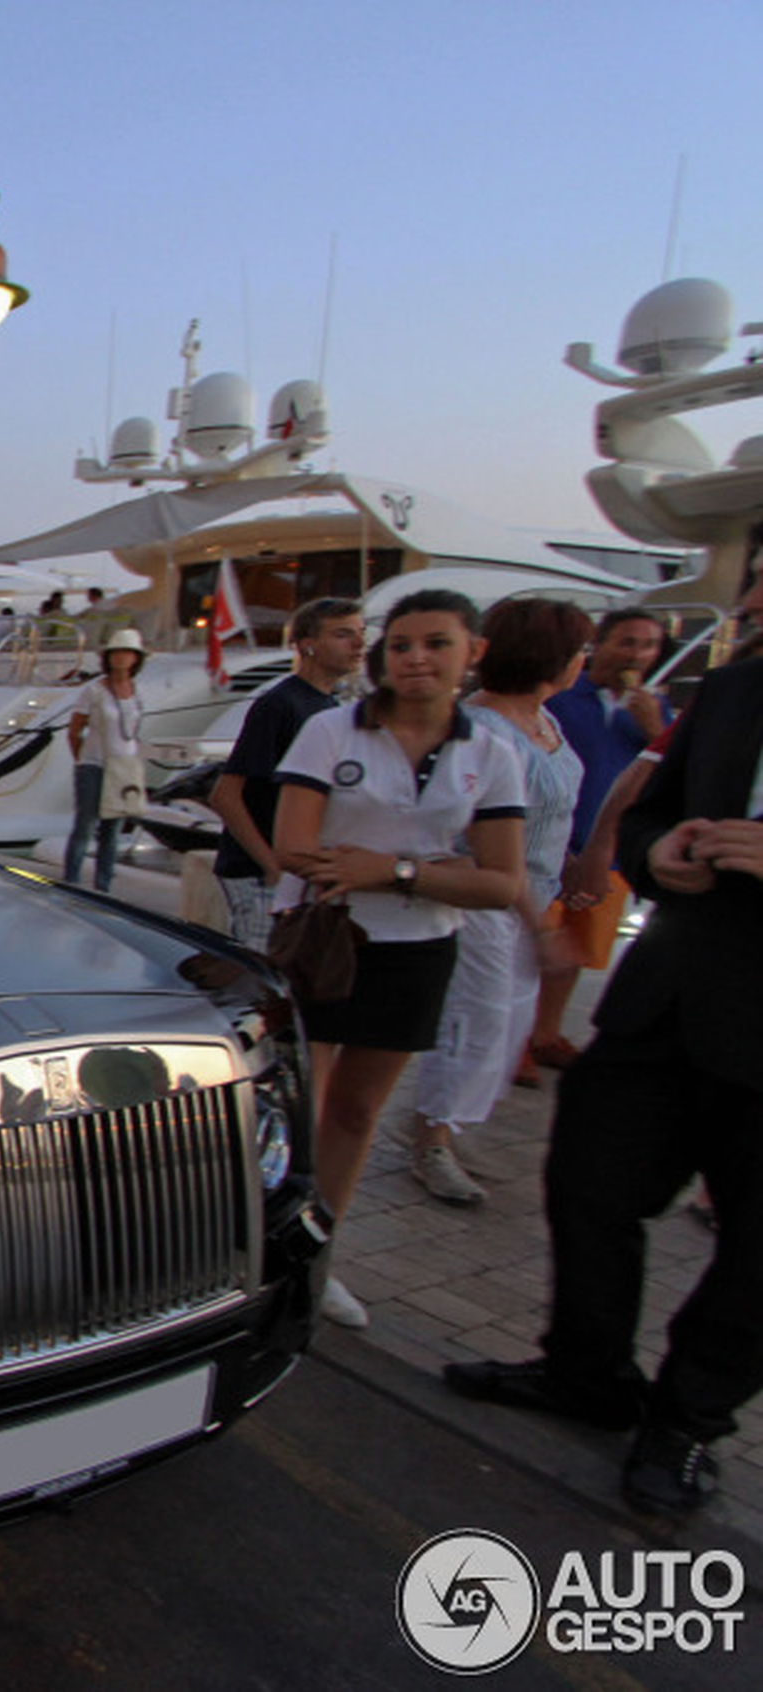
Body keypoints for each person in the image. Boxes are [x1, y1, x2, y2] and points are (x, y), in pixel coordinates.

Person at [445, 567, 763, 1517]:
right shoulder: (737, 689)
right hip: (665, 1003)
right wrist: (653, 856)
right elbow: (652, 817)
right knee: (586, 1186)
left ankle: (689, 1419)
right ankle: (585, 1373)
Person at [272, 589, 526, 1327]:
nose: (416, 658)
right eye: (403, 644)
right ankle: (270, 1239)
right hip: (324, 934)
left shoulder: (490, 753)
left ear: (471, 653)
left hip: (418, 946)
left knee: (357, 1109)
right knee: (299, 1103)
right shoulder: (331, 731)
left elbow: (501, 883)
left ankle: (320, 1253)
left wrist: (395, 871)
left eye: (437, 643)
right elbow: (296, 846)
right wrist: (435, 867)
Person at [403, 597, 592, 1206]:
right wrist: (539, 925)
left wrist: (568, 870)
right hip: (485, 903)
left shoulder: (546, 722)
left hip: (532, 894)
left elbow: (548, 816)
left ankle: (451, 1127)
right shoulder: (482, 732)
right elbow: (470, 840)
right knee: (472, 1021)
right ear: (550, 658)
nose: (583, 662)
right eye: (578, 651)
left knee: (505, 1022)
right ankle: (431, 1135)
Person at [529, 608, 671, 1080]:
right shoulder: (565, 698)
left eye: (649, 645)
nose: (638, 654)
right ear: (601, 646)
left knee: (574, 951)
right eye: (627, 642)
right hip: (553, 847)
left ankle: (545, 1034)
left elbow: (666, 774)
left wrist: (653, 726)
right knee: (535, 948)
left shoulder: (654, 710)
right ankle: (515, 1042)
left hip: (607, 851)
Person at [209, 598, 365, 950]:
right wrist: (272, 865)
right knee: (262, 975)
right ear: (307, 644)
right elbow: (225, 795)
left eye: (360, 634)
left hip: (297, 875)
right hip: (257, 872)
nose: (358, 645)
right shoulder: (279, 705)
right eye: (343, 634)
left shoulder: (328, 706)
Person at [62, 628, 147, 893]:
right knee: (85, 826)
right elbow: (74, 731)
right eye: (116, 653)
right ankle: (71, 882)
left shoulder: (136, 692)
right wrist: (82, 761)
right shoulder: (94, 691)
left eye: (127, 653)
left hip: (123, 768)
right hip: (94, 765)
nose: (120, 658)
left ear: (135, 659)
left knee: (112, 831)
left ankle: (103, 886)